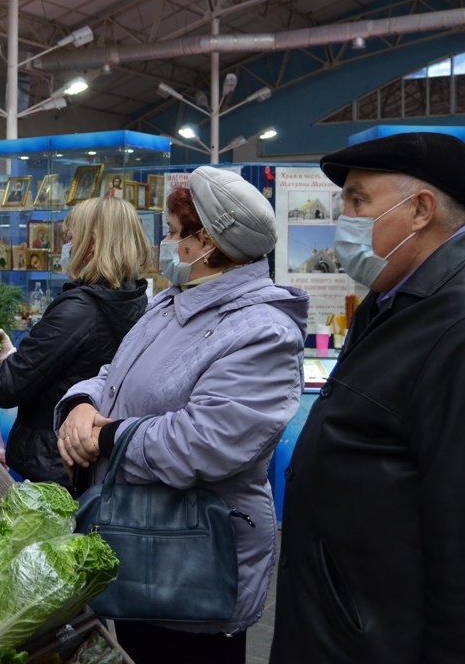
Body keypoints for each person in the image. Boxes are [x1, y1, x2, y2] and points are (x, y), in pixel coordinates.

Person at [269, 132, 465, 664]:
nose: (344, 217)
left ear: (420, 211)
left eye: (359, 200)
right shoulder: (399, 301)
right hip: (346, 631)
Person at [56, 166, 307, 664]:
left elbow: (206, 443)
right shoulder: (171, 303)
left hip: (192, 565)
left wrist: (108, 439)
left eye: (173, 234)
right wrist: (81, 405)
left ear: (207, 243)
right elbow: (114, 376)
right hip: (138, 544)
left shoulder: (262, 331)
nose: (165, 245)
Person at [0, 196, 150, 489]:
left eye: (69, 238)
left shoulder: (79, 309)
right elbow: (71, 372)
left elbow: (8, 387)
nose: (63, 247)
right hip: (87, 458)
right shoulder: (133, 300)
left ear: (91, 244)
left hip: (55, 460)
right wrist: (12, 356)